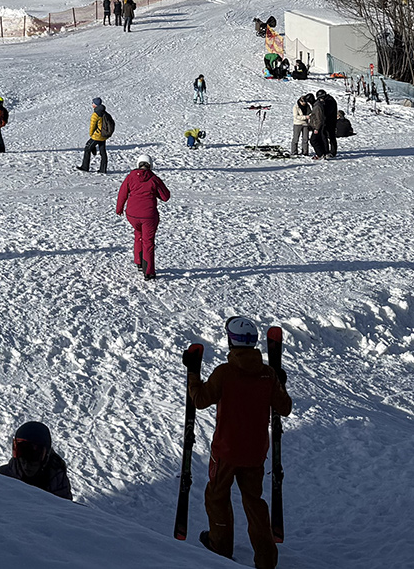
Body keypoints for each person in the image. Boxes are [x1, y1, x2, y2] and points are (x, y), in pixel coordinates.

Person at [187, 317, 293, 568]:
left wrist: (193, 375)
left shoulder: (225, 373)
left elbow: (200, 400)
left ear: (231, 341)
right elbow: (285, 407)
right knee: (254, 501)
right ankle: (266, 558)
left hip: (226, 450)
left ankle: (220, 545)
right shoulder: (267, 375)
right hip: (255, 453)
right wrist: (279, 382)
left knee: (217, 497)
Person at [115, 156, 171, 279]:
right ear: (150, 165)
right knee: (148, 242)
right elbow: (165, 197)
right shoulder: (154, 179)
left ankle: (139, 262)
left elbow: (122, 192)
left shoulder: (130, 176)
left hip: (132, 215)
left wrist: (119, 208)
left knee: (138, 234)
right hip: (148, 216)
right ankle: (149, 271)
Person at [0, 421, 73, 501]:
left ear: (46, 456)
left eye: (35, 456)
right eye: (22, 455)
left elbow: (64, 510)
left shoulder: (56, 481)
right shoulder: (2, 477)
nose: (27, 465)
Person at [79, 97, 113, 172]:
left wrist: (91, 135)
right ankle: (103, 169)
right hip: (104, 135)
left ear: (95, 105)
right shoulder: (104, 112)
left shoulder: (96, 114)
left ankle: (85, 167)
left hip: (97, 136)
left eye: (93, 103)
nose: (92, 104)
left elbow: (92, 126)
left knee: (87, 148)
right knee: (103, 152)